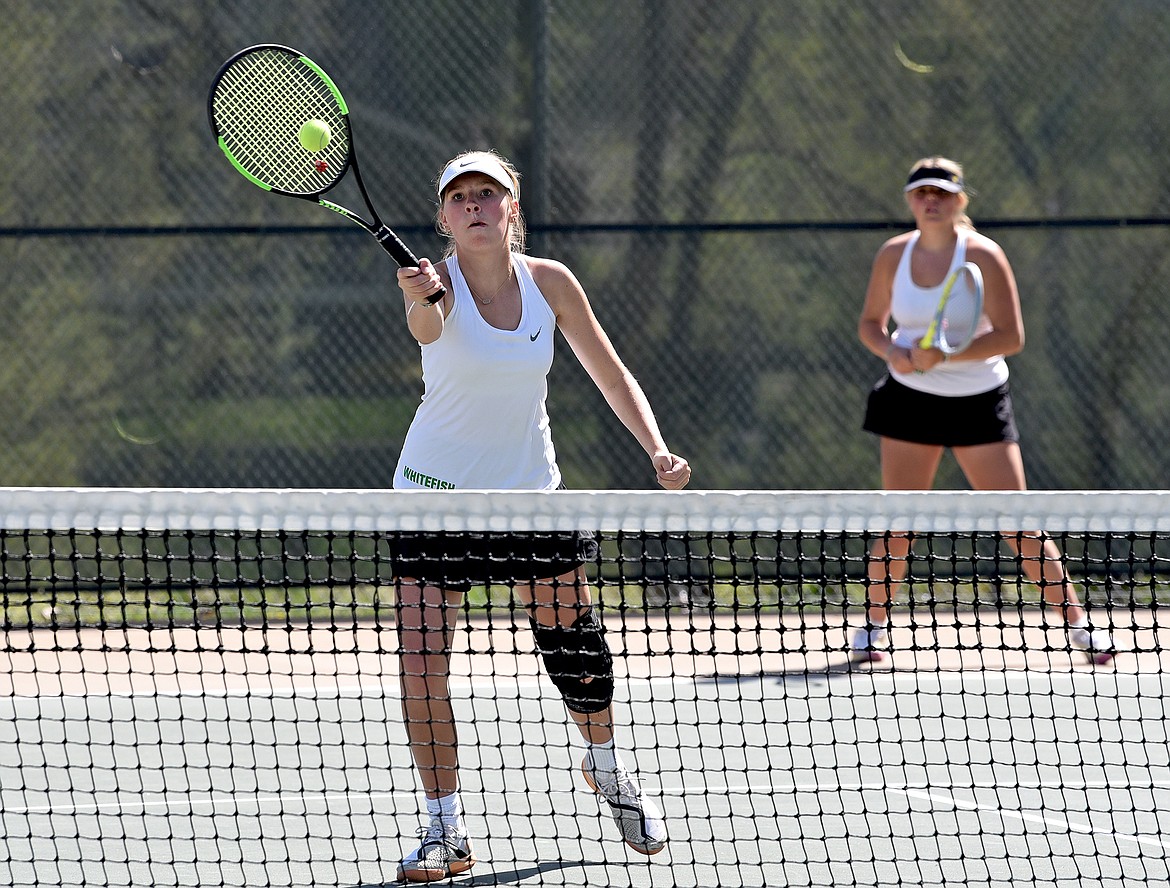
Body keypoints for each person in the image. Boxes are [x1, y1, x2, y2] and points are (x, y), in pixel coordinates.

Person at [389, 149, 691, 882]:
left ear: (511, 209)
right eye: (458, 196)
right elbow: (427, 334)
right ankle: (444, 829)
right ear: (444, 219)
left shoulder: (551, 283)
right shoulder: (435, 290)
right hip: (432, 501)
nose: (474, 205)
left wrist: (656, 448)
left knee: (577, 650)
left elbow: (610, 371)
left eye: (487, 193)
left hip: (531, 494)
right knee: (422, 663)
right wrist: (419, 297)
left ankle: (608, 769)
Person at [853, 156, 1116, 666]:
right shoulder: (892, 256)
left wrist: (946, 354)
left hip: (979, 404)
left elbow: (1011, 337)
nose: (931, 201)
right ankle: (872, 627)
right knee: (899, 523)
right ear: (910, 201)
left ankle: (1081, 629)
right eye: (921, 193)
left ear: (960, 201)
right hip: (909, 402)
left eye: (942, 193)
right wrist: (894, 352)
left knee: (1018, 523)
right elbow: (869, 323)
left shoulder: (985, 256)